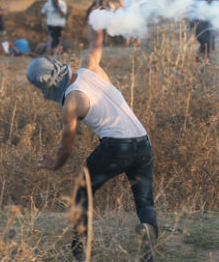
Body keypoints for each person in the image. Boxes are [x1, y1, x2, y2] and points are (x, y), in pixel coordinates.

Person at [27, 26, 157, 262]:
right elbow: (96, 44)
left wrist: (55, 164)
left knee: (82, 191)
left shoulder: (71, 103)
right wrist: (96, 24)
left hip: (117, 147)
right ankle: (148, 229)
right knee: (144, 199)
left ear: (47, 86)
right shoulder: (91, 68)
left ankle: (79, 251)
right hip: (143, 141)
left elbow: (66, 147)